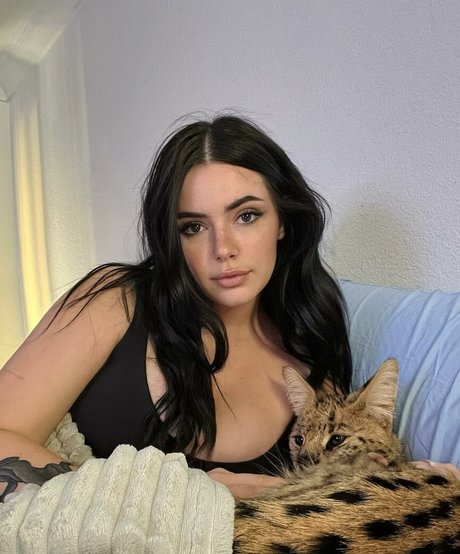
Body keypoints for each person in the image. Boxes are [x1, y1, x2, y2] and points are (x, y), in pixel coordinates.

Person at [0, 114, 457, 505]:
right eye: (194, 227)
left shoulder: (313, 355)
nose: (223, 248)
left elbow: (331, 500)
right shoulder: (115, 300)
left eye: (247, 216)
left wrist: (410, 484)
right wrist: (187, 494)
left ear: (283, 221)